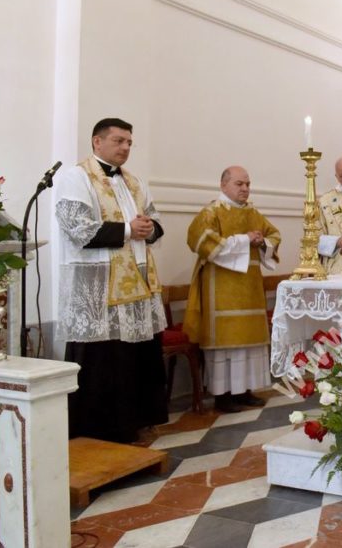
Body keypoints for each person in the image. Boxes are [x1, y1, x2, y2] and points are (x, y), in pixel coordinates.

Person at [54, 118, 167, 443]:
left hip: (138, 283)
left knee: (137, 357)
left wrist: (149, 227)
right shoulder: (75, 177)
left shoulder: (134, 181)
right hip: (99, 289)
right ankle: (101, 430)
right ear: (97, 142)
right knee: (105, 361)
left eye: (129, 142)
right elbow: (77, 228)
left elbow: (155, 219)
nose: (125, 148)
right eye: (119, 141)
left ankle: (139, 420)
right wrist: (131, 230)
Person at [184, 166, 281, 413]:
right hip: (221, 290)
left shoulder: (253, 213)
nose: (245, 189)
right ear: (223, 185)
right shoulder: (211, 212)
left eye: (248, 184)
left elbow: (274, 235)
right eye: (239, 184)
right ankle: (223, 396)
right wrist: (245, 240)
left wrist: (263, 242)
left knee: (248, 345)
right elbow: (201, 241)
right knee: (226, 345)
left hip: (249, 288)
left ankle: (245, 390)